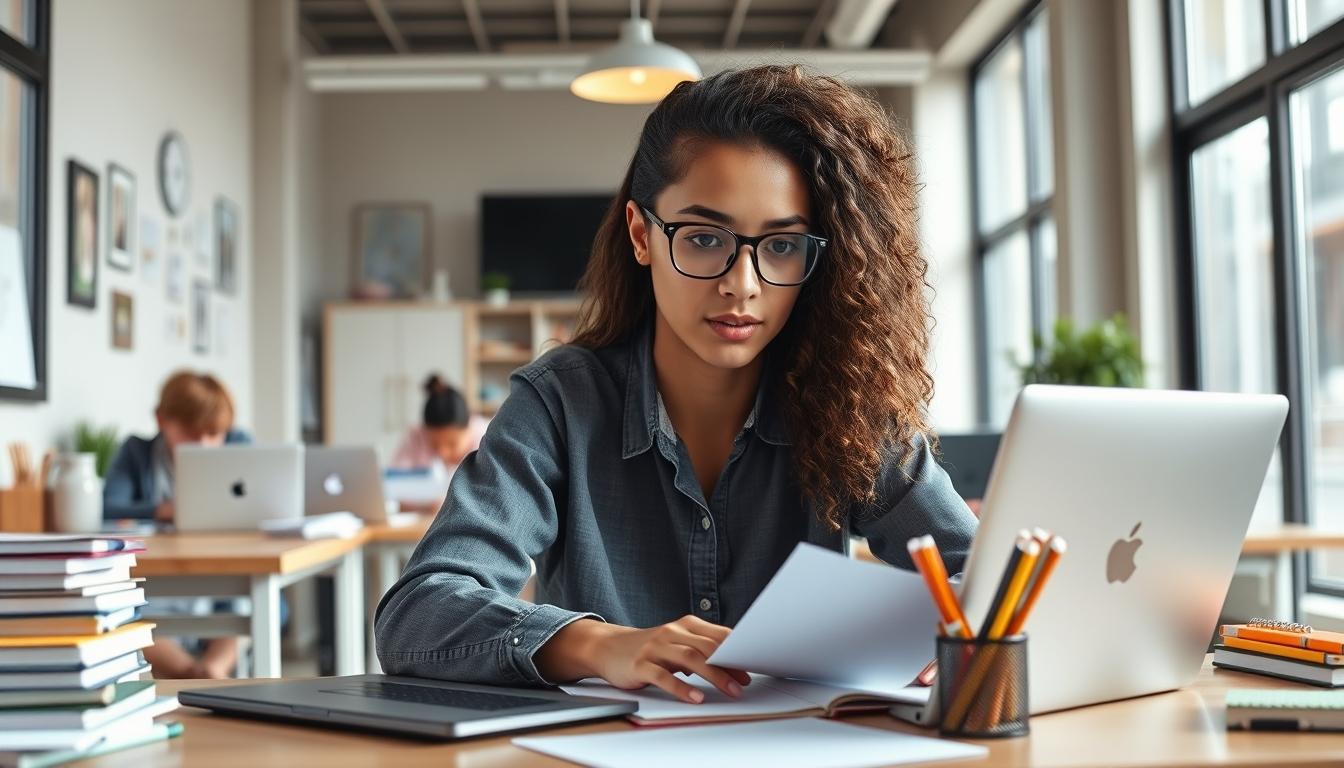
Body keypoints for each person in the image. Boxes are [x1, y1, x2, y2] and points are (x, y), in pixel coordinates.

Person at [376, 65, 977, 705]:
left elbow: (983, 579)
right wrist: (600, 645)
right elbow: (419, 613)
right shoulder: (559, 404)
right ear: (642, 235)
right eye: (704, 238)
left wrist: (956, 634)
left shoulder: (849, 406)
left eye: (780, 246)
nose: (741, 283)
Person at [103, 371, 249, 678]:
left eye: (213, 434)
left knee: (249, 602)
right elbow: (109, 505)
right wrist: (165, 510)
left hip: (223, 573)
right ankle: (190, 673)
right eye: (192, 433)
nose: (204, 444)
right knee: (123, 612)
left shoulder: (240, 447)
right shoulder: (136, 452)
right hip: (159, 578)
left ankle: (214, 669)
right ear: (161, 420)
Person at [390, 375, 488, 471]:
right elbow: (396, 475)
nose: (443, 453)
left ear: (469, 428)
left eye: (452, 444)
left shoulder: (486, 437)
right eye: (434, 444)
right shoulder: (416, 437)